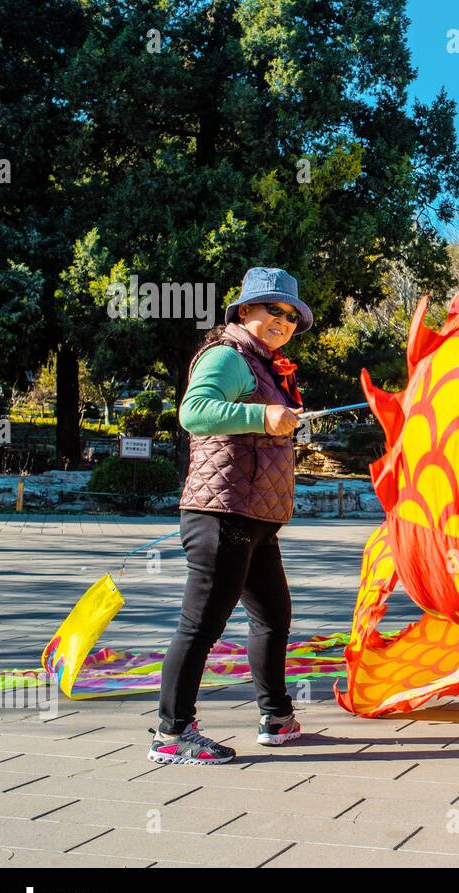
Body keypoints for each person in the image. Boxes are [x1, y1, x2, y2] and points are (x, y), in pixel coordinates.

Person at [150, 267, 313, 765]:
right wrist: (264, 415)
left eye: (291, 316)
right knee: (201, 625)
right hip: (221, 514)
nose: (283, 321)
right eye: (273, 310)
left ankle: (276, 717)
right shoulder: (229, 354)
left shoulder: (264, 365)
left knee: (272, 617)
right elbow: (194, 412)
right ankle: (172, 733)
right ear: (245, 311)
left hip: (254, 518)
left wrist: (276, 419)